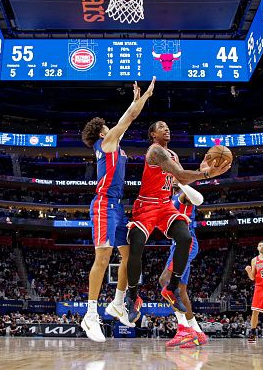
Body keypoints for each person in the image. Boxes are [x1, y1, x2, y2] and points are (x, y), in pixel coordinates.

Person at [126, 121, 230, 323]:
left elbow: (180, 181)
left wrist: (201, 171)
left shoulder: (172, 154)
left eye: (167, 126)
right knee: (136, 244)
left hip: (165, 205)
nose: (167, 129)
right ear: (153, 134)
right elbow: (181, 175)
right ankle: (132, 296)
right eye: (161, 127)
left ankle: (172, 288)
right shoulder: (155, 151)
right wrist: (208, 174)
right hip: (147, 205)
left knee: (185, 237)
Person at [79, 78, 156, 342]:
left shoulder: (114, 142)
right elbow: (130, 118)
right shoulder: (107, 143)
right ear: (102, 132)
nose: (112, 127)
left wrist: (135, 102)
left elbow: (129, 117)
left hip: (118, 207)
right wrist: (144, 97)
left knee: (131, 255)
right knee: (102, 258)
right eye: (107, 127)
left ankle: (118, 303)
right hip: (103, 205)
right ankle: (90, 314)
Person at [158, 186, 208, 348]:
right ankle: (197, 332)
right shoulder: (168, 199)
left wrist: (181, 182)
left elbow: (198, 199)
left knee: (165, 280)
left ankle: (184, 329)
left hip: (186, 243)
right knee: (181, 290)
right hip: (177, 245)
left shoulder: (182, 195)